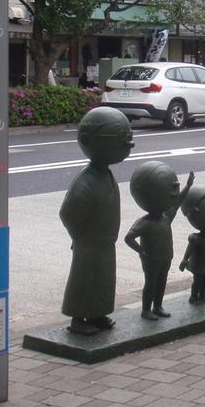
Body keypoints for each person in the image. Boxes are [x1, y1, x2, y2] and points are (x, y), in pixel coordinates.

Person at [59, 107, 134, 334]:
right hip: (89, 243)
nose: (128, 145)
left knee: (102, 279)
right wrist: (80, 237)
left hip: (104, 242)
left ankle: (98, 312)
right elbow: (68, 213)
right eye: (122, 139)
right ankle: (78, 318)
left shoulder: (104, 174)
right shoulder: (86, 181)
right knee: (84, 279)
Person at [124, 162, 194, 320]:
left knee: (162, 281)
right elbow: (128, 238)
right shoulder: (144, 222)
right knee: (150, 283)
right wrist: (142, 250)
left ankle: (158, 306)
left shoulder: (166, 217)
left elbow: (177, 202)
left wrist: (188, 186)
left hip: (165, 256)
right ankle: (146, 309)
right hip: (151, 258)